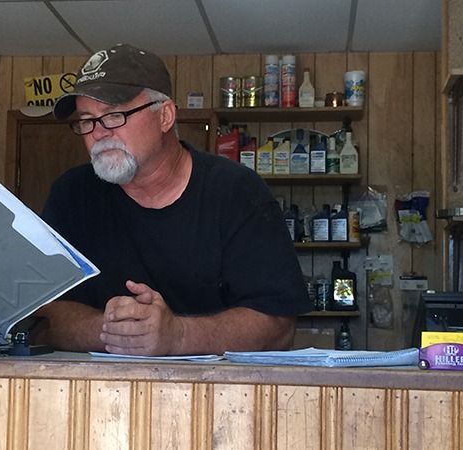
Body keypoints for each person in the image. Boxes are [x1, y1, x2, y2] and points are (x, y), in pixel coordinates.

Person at [33, 43, 312, 356]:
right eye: (86, 120)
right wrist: (115, 330)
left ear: (164, 116)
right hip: (96, 398)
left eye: (113, 115)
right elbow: (37, 316)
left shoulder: (237, 191)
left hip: (222, 398)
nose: (98, 132)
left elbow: (279, 328)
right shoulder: (72, 194)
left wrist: (177, 336)